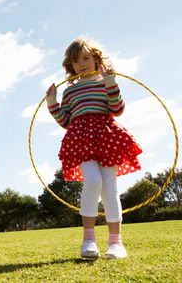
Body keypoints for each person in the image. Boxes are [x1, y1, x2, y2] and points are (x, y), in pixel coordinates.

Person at [45, 38, 142, 259]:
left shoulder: (105, 81)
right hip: (81, 138)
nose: (81, 64)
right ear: (71, 66)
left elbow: (117, 109)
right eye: (76, 61)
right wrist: (52, 101)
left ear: (97, 59)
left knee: (110, 187)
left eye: (86, 58)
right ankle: (88, 240)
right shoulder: (70, 91)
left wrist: (110, 83)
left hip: (106, 137)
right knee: (93, 180)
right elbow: (66, 120)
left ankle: (116, 243)